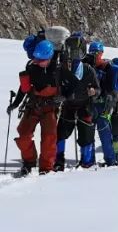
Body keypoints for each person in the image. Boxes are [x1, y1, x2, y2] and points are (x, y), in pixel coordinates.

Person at [10, 39, 62, 176]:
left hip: (50, 108)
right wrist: (15, 104)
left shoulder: (58, 70)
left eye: (41, 59)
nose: (37, 62)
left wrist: (64, 97)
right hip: (33, 105)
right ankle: (29, 162)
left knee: (49, 138)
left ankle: (46, 167)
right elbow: (23, 89)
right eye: (36, 59)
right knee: (24, 134)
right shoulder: (32, 68)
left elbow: (72, 84)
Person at [54, 33, 101, 170]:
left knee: (86, 136)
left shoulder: (88, 70)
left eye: (77, 51)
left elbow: (98, 89)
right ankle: (59, 161)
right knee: (60, 133)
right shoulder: (63, 68)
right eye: (72, 51)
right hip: (68, 106)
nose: (74, 54)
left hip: (84, 105)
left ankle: (86, 162)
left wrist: (94, 92)